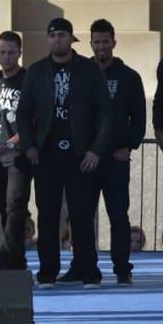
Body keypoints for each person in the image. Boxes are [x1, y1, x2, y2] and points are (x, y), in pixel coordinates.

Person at [17, 17, 112, 289]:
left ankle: (88, 271)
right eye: (53, 35)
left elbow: (106, 113)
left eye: (62, 35)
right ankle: (47, 272)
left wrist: (96, 150)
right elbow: (23, 113)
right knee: (47, 215)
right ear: (48, 39)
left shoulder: (89, 70)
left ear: (71, 39)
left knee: (82, 215)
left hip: (81, 154)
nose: (57, 39)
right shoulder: (36, 72)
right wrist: (30, 146)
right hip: (46, 154)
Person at [71, 18, 144, 286]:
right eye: (97, 41)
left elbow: (138, 118)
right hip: (86, 158)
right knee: (82, 215)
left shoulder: (130, 77)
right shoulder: (81, 73)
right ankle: (85, 268)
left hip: (115, 159)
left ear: (114, 41)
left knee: (118, 215)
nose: (101, 46)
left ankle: (122, 268)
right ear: (90, 43)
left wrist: (128, 146)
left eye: (105, 41)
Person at [0, 31, 32, 271]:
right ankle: (17, 259)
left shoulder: (28, 80)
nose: (6, 57)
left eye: (12, 52)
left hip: (18, 155)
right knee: (5, 208)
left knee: (15, 206)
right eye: (2, 51)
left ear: (20, 53)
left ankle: (8, 258)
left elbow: (34, 123)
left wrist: (10, 144)